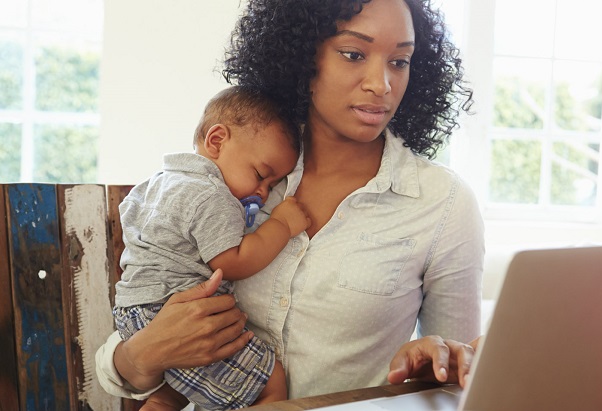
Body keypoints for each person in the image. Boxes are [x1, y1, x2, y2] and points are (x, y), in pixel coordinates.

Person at [95, 0, 484, 406]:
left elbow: (458, 380)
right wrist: (141, 355)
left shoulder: (443, 204)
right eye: (353, 54)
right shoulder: (239, 171)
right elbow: (127, 345)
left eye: (400, 62)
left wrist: (427, 371)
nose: (381, 84)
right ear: (302, 57)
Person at [111, 85, 311, 410]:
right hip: (172, 312)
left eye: (272, 186)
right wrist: (282, 225)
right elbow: (233, 262)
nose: (262, 193)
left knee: (172, 393)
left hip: (136, 312)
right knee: (270, 382)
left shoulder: (158, 182)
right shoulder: (211, 195)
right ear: (216, 141)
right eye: (261, 175)